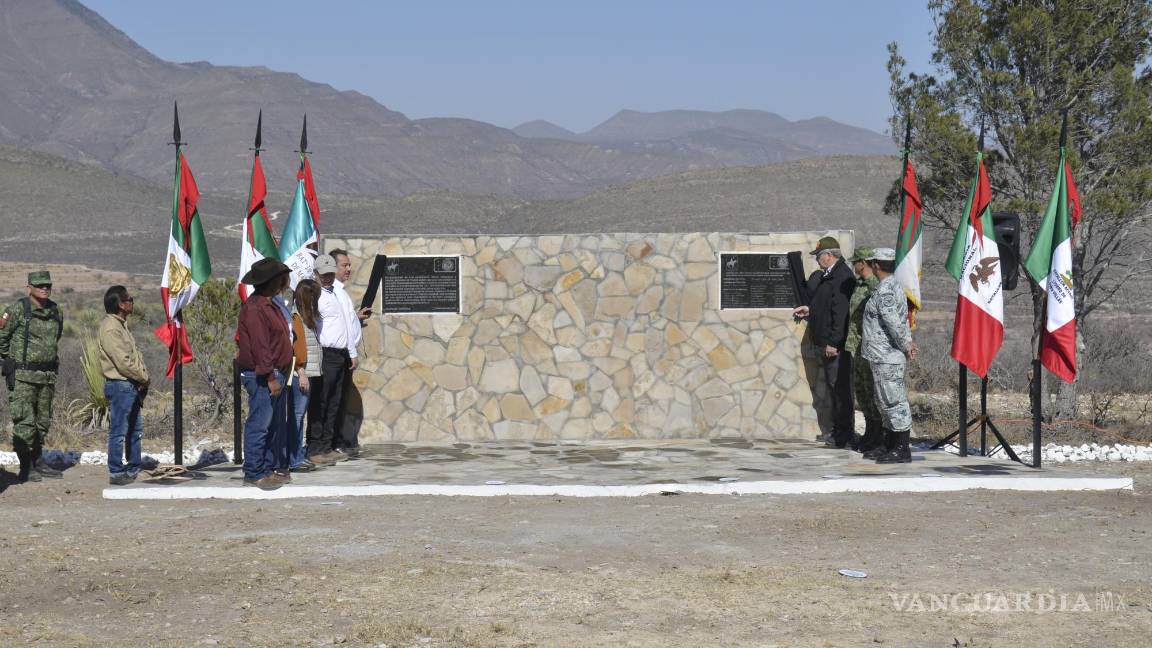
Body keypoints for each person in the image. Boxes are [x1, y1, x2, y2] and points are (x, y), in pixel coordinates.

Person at [0, 270, 65, 483]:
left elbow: (57, 336)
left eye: (47, 285)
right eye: (39, 285)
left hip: (46, 376)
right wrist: (9, 362)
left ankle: (38, 461)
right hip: (23, 377)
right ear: (29, 287)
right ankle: (25, 466)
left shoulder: (55, 311)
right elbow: (2, 337)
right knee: (24, 423)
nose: (44, 288)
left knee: (42, 421)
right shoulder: (18, 310)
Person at [791, 236, 856, 448]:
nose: (817, 261)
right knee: (833, 390)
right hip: (826, 342)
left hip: (833, 346)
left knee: (840, 391)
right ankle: (839, 432)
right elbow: (826, 305)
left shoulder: (841, 276)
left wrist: (834, 342)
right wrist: (810, 309)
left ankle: (844, 435)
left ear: (828, 256)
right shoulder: (830, 276)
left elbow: (840, 312)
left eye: (819, 257)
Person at [236, 258, 294, 490]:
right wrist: (270, 376)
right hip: (261, 375)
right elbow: (261, 346)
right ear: (274, 281)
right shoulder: (256, 308)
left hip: (274, 372)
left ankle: (267, 468)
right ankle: (254, 471)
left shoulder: (271, 304)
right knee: (260, 424)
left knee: (270, 425)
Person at [861, 248, 919, 464]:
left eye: (872, 263)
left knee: (894, 402)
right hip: (880, 355)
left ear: (876, 265)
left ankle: (902, 448)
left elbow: (893, 321)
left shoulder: (886, 290)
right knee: (884, 401)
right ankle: (889, 444)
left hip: (888, 355)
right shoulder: (887, 286)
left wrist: (906, 344)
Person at [307, 253, 360, 464]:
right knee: (320, 402)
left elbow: (346, 325)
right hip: (325, 354)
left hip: (340, 355)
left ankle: (327, 446)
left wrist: (351, 352)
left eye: (330, 274)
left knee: (334, 402)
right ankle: (315, 448)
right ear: (316, 274)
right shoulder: (315, 295)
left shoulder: (335, 294)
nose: (327, 278)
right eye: (324, 274)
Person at [97, 286, 150, 485]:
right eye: (130, 299)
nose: (132, 302)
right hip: (121, 385)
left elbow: (133, 356)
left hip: (130, 385)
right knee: (119, 430)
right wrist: (143, 377)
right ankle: (116, 471)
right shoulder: (111, 328)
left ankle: (133, 466)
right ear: (120, 304)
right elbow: (123, 362)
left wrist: (141, 377)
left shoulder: (121, 325)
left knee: (134, 430)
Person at [329, 248, 371, 457]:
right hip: (339, 355)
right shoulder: (333, 292)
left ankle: (335, 443)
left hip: (345, 355)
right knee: (332, 402)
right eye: (344, 265)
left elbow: (345, 321)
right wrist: (351, 352)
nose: (348, 269)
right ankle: (330, 444)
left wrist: (356, 317)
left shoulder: (341, 292)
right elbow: (341, 327)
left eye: (349, 265)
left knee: (339, 401)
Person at [843, 247, 885, 455]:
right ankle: (870, 430)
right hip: (856, 345)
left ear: (864, 262)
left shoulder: (875, 285)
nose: (853, 266)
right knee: (862, 390)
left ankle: (878, 434)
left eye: (856, 262)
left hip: (869, 346)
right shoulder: (859, 284)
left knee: (871, 391)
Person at [289, 278, 323, 472]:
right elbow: (297, 348)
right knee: (297, 415)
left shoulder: (305, 317)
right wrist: (301, 372)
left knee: (300, 416)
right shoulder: (296, 318)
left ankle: (298, 455)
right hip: (300, 375)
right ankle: (294, 459)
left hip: (308, 372)